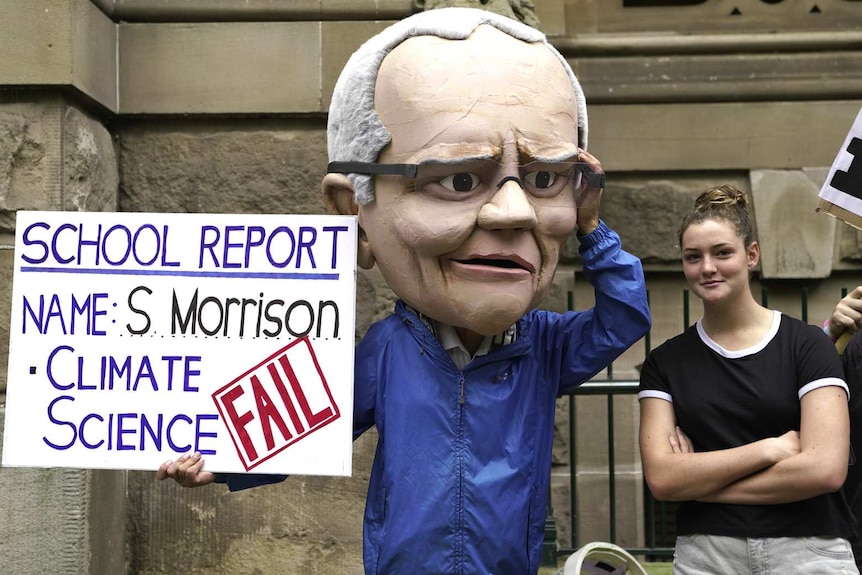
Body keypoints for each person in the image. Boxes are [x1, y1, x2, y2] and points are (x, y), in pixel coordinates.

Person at [158, 8, 651, 574]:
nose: (514, 210)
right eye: (459, 180)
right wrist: (218, 462)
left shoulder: (544, 348)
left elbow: (625, 319)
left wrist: (593, 230)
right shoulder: (389, 350)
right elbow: (308, 423)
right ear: (354, 212)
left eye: (544, 179)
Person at [638, 185, 858, 574]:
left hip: (808, 549)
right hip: (707, 553)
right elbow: (662, 479)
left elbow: (825, 469)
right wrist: (770, 449)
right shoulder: (665, 362)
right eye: (694, 257)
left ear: (751, 255)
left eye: (722, 252)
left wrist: (702, 484)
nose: (708, 267)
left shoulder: (807, 345)